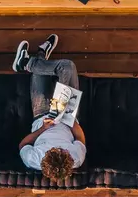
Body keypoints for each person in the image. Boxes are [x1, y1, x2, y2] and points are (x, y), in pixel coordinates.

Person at [14, 34, 86, 181]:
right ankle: (31, 61)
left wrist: (43, 129)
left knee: (38, 76)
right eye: (62, 150)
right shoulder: (76, 158)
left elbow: (23, 144)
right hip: (67, 115)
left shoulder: (34, 160)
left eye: (54, 149)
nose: (58, 147)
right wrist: (69, 118)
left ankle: (33, 60)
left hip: (41, 113)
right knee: (68, 67)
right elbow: (79, 137)